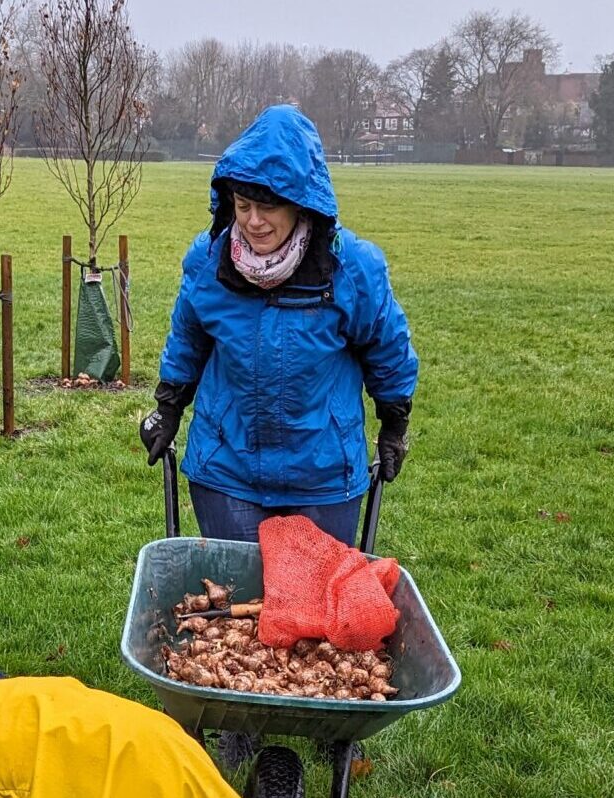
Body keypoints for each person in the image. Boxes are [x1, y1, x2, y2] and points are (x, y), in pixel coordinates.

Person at [140, 105, 420, 546]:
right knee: (235, 589)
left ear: (301, 202)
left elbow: (387, 349)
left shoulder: (352, 269)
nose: (253, 221)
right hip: (227, 471)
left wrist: (394, 425)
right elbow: (188, 339)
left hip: (323, 476)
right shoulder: (209, 261)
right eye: (243, 205)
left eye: (268, 207)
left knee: (317, 592)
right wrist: (169, 405)